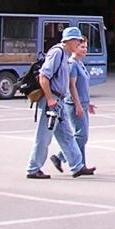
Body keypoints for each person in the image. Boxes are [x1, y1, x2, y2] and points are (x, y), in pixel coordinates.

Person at [26, 26, 92, 179]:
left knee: (67, 135)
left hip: (59, 101)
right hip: (52, 101)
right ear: (69, 41)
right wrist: (50, 99)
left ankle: (77, 166)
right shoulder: (57, 53)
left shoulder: (65, 55)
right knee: (44, 136)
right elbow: (44, 76)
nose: (79, 43)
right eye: (77, 41)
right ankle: (33, 169)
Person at [52, 36, 95, 173]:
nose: (85, 50)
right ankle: (60, 157)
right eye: (82, 47)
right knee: (81, 135)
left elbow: (83, 86)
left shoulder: (80, 63)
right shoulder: (72, 64)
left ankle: (81, 164)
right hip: (74, 104)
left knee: (82, 135)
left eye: (86, 47)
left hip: (83, 103)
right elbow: (72, 86)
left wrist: (88, 103)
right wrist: (77, 104)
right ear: (75, 48)